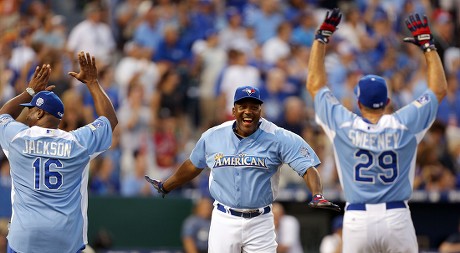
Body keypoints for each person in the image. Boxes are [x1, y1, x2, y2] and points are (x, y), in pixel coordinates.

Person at [306, 9, 447, 253]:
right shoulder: (404, 123)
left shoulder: (343, 124)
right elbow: (438, 89)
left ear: (358, 102)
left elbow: (315, 84)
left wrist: (321, 39)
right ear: (388, 100)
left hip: (357, 219)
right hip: (396, 217)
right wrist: (428, 47)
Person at [145, 85, 340, 253]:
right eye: (243, 106)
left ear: (260, 111)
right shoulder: (214, 136)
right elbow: (193, 164)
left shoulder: (278, 136)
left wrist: (317, 194)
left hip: (260, 221)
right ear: (234, 109)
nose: (248, 111)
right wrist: (166, 185)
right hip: (224, 217)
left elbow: (307, 167)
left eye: (254, 107)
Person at [0, 51, 118, 253]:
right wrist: (92, 82)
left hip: (25, 237)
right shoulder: (77, 142)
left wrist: (29, 91)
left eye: (31, 108)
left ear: (39, 112)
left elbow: (2, 115)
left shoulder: (17, 138)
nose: (28, 112)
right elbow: (110, 120)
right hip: (65, 238)